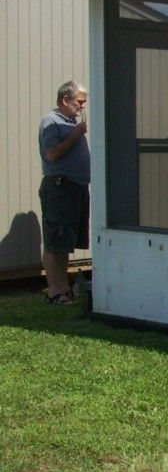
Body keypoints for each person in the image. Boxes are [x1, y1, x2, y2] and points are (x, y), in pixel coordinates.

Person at [38, 80, 90, 304]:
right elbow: (52, 154)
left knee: (65, 241)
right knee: (55, 241)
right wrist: (76, 135)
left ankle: (64, 288)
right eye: (79, 102)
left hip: (75, 187)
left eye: (84, 102)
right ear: (65, 100)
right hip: (60, 187)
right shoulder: (51, 122)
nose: (82, 107)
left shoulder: (70, 123)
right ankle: (55, 291)